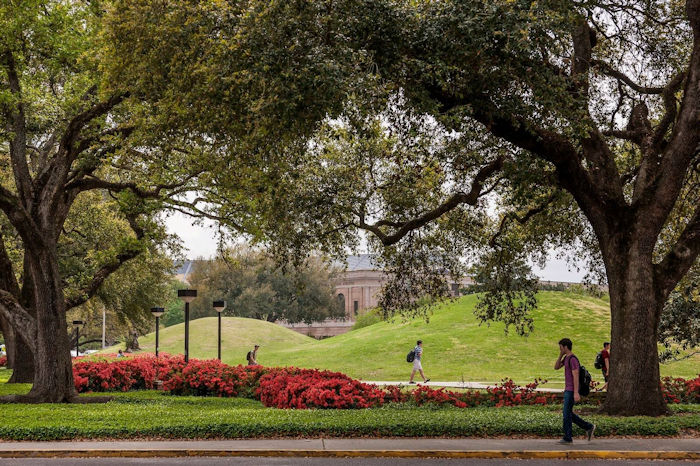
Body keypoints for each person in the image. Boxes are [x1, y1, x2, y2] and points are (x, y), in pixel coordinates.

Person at [554, 338, 595, 444]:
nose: (560, 349)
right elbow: (556, 367)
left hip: (572, 390)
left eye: (561, 347)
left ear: (565, 347)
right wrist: (560, 355)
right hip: (568, 389)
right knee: (567, 413)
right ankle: (588, 427)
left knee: (566, 414)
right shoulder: (566, 358)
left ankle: (568, 438)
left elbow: (575, 375)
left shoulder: (573, 359)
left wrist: (576, 392)